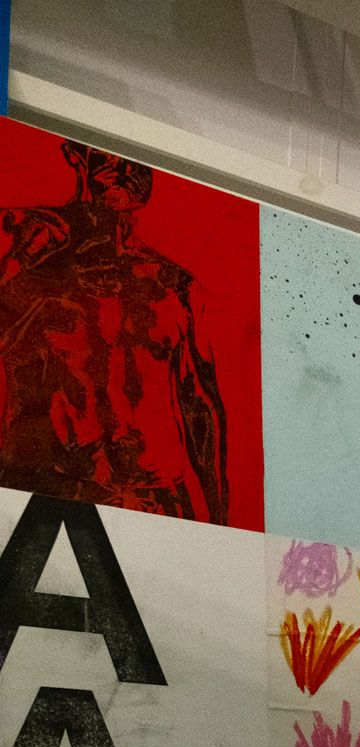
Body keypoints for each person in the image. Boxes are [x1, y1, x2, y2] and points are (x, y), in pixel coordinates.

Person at [0, 142, 229, 523]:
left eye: (136, 159)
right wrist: (17, 260)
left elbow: (201, 406)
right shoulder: (27, 261)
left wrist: (222, 524)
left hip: (158, 497)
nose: (125, 169)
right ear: (76, 157)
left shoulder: (174, 285)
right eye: (110, 155)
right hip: (54, 491)